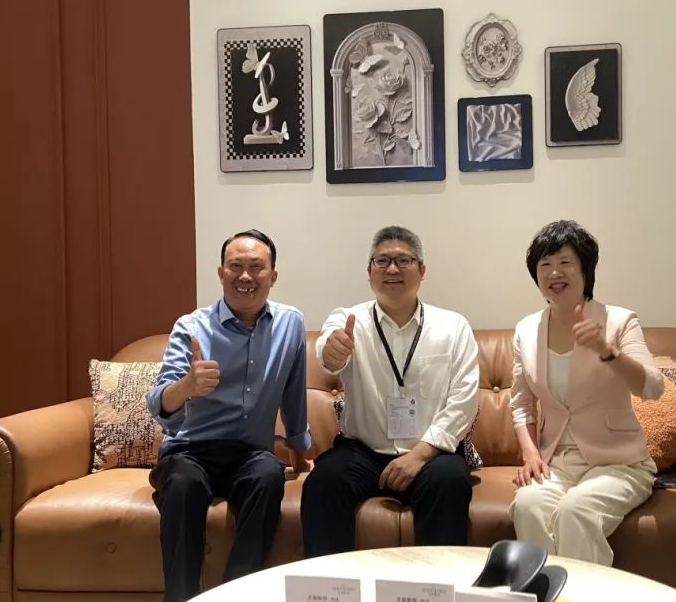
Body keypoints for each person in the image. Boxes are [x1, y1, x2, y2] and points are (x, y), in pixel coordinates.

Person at [145, 229, 310, 601]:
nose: (245, 276)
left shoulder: (290, 323)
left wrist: (299, 454)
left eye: (256, 267)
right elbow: (159, 402)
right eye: (236, 266)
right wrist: (187, 386)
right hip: (190, 452)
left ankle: (237, 594)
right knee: (183, 485)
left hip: (250, 454)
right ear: (221, 273)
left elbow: (293, 393)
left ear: (273, 276)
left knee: (268, 475)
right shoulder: (191, 327)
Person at [300, 225, 480, 557]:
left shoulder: (453, 327)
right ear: (369, 271)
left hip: (431, 454)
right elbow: (328, 353)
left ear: (422, 270)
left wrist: (419, 455)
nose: (392, 269)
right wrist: (333, 351)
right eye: (382, 261)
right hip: (363, 451)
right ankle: (331, 584)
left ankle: (438, 583)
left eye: (403, 260)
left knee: (450, 481)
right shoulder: (347, 320)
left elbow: (464, 402)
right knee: (324, 481)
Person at [508, 219, 664, 566]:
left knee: (575, 511)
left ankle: (583, 591)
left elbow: (652, 388)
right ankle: (543, 589)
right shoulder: (526, 330)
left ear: (585, 269)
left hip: (619, 462)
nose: (554, 272)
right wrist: (531, 455)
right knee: (528, 504)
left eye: (565, 262)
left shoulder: (619, 321)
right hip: (557, 462)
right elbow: (520, 404)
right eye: (545, 264)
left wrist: (608, 351)